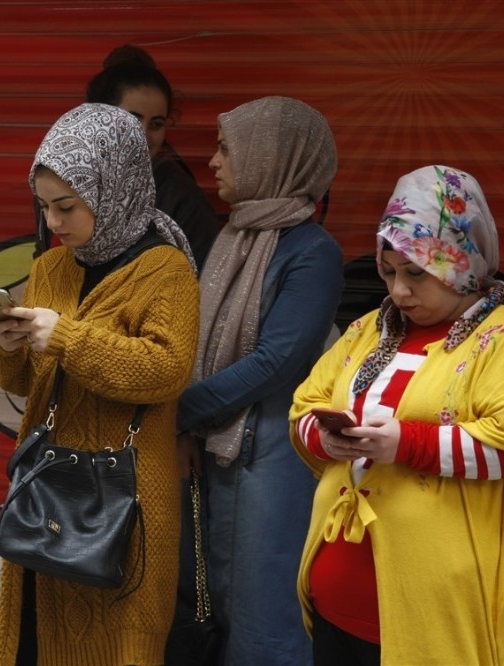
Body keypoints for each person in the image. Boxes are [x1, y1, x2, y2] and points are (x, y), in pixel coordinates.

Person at [289, 165, 504, 665]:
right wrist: (328, 441)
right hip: (337, 611)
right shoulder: (370, 329)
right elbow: (306, 405)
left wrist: (407, 444)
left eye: (416, 272)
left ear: (462, 263)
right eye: (389, 271)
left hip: (436, 623)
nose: (398, 291)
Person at [0, 102, 200, 665]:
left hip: (124, 504)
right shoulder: (51, 267)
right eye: (44, 207)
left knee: (117, 648)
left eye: (67, 206)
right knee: (38, 645)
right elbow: (21, 380)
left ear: (115, 189)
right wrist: (8, 345)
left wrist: (65, 337)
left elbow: (165, 369)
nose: (54, 223)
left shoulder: (165, 271)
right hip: (46, 494)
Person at [175, 96, 343, 665]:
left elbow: (277, 361)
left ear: (271, 157)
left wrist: (175, 411)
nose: (214, 162)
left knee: (266, 615)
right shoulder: (234, 238)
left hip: (272, 455)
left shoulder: (312, 250)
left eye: (227, 148)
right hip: (221, 448)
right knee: (221, 602)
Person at [34, 44, 221, 271]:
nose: (141, 135)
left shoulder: (180, 198)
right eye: (130, 120)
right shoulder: (58, 178)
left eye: (156, 124)